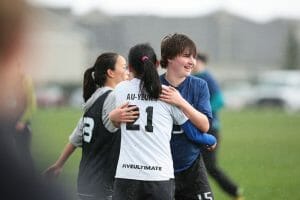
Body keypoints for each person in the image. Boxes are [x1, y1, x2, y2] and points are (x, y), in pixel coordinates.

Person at [109, 43, 216, 200]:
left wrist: (113, 118)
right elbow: (193, 132)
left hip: (127, 174)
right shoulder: (166, 93)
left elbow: (115, 121)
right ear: (158, 64)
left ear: (130, 68)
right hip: (158, 176)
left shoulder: (121, 90)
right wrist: (210, 139)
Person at [0, 0, 70, 199]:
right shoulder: (33, 191)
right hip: (11, 124)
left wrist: (21, 121)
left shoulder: (25, 80)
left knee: (23, 154)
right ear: (17, 45)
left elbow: (30, 104)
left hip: (20, 123)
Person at [44, 52, 136, 200]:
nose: (127, 72)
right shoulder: (113, 97)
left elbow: (75, 139)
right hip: (103, 186)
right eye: (124, 67)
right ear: (110, 72)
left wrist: (59, 165)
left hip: (86, 182)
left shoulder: (94, 98)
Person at [159, 33, 215, 200]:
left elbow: (205, 126)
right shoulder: (153, 86)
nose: (192, 61)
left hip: (192, 166)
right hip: (159, 169)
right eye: (186, 56)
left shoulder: (199, 85)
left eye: (194, 57)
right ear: (169, 57)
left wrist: (180, 102)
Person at [193, 53, 244, 200]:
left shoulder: (207, 78)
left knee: (210, 167)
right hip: (199, 128)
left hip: (210, 129)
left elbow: (220, 100)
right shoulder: (195, 77)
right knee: (195, 166)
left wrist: (203, 112)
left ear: (199, 62)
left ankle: (235, 192)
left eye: (193, 60)